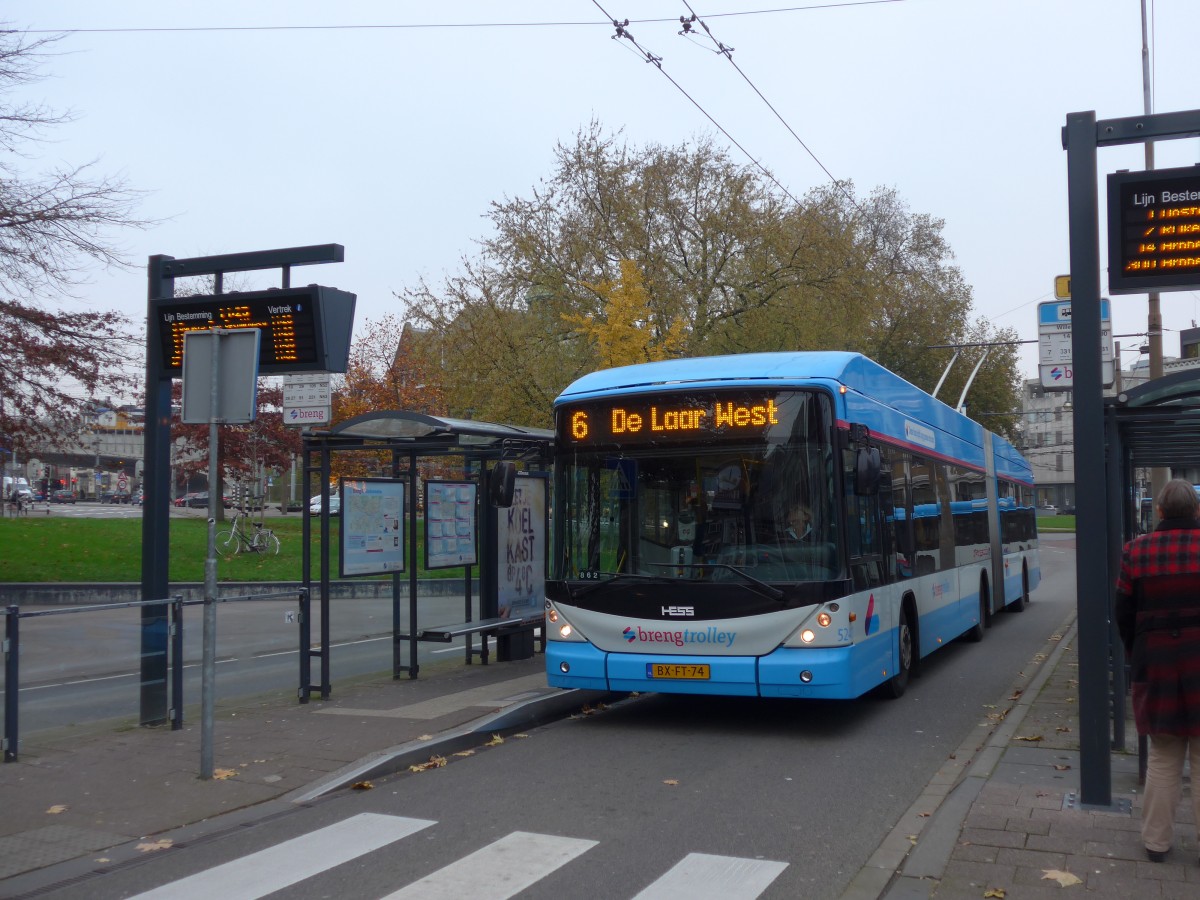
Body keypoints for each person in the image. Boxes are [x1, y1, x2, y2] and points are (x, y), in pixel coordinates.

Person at [1115, 478, 1200, 863]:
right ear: (1196, 510)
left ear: (1160, 511)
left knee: (1164, 755)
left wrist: (1140, 652)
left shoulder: (1136, 552)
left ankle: (1156, 843)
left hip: (1158, 665)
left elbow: (1124, 614)